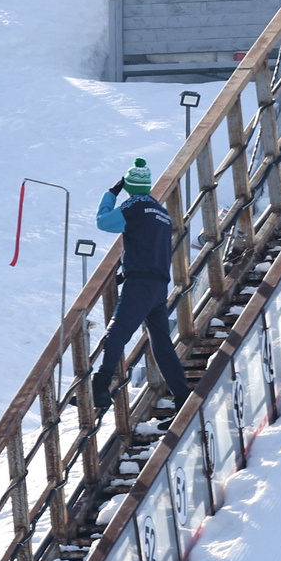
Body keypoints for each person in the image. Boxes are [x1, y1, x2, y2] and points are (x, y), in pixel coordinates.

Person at [92, 157, 191, 411]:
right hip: (159, 286)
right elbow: (148, 246)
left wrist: (110, 194)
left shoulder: (134, 207)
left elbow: (103, 221)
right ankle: (181, 393)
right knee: (160, 341)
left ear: (129, 187)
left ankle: (100, 385)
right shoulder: (161, 212)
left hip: (140, 284)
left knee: (118, 330)